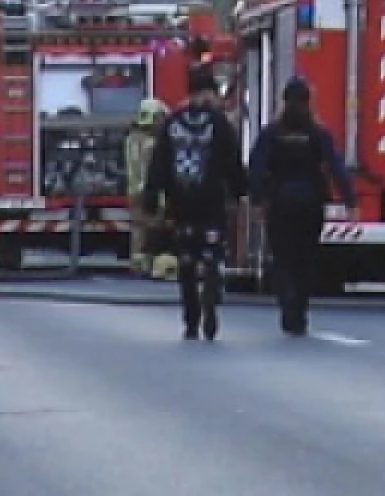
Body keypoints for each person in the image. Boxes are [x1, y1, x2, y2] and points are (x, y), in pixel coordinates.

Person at [142, 65, 246, 342]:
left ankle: (191, 318)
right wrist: (241, 192)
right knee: (211, 251)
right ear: (211, 91)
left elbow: (159, 163)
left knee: (186, 261)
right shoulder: (220, 123)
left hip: (181, 203)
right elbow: (232, 162)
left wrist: (152, 198)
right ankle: (211, 288)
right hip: (211, 202)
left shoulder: (172, 123)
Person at [247, 76, 356, 336]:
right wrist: (349, 199)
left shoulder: (272, 134)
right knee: (305, 258)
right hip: (311, 203)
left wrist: (257, 198)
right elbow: (335, 166)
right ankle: (301, 310)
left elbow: (256, 168)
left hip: (281, 204)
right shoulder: (318, 133)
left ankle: (288, 307)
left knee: (283, 259)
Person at [124, 98, 167, 276]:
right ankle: (150, 263)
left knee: (137, 228)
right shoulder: (151, 143)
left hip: (133, 190)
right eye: (161, 117)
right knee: (153, 226)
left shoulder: (131, 139)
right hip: (148, 191)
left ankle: (136, 262)